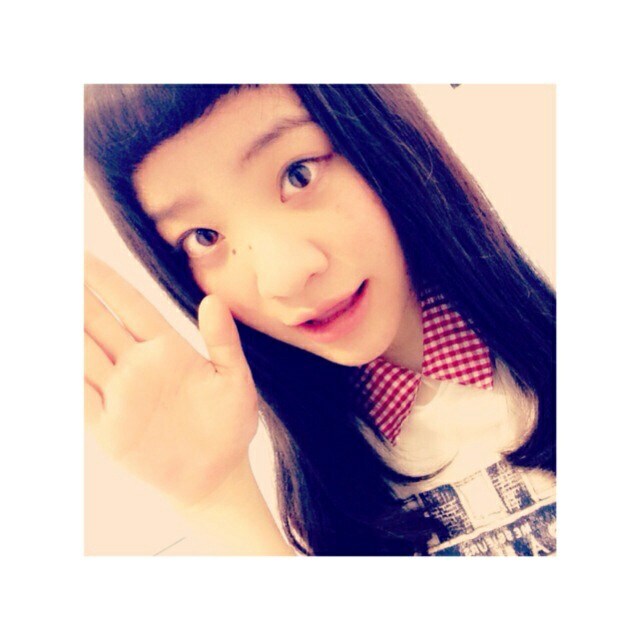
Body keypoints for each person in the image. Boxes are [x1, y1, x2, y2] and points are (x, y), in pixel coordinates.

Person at [84, 84, 556, 556]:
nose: (284, 276)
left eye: (299, 174)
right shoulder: (292, 483)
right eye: (203, 237)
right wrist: (215, 498)